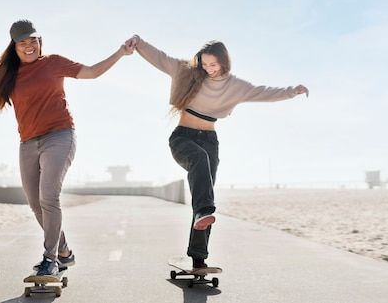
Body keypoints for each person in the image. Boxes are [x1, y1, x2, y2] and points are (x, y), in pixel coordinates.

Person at [0, 20, 133, 276]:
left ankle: (50, 259)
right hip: (28, 143)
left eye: (33, 40)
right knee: (35, 204)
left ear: (40, 41)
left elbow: (93, 71)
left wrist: (120, 52)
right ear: (14, 46)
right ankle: (64, 252)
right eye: (23, 43)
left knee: (49, 196)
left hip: (60, 136)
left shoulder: (53, 63)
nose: (29, 46)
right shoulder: (5, 73)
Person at [125, 35, 308, 269]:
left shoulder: (236, 86)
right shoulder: (186, 72)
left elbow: (264, 92)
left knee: (204, 196)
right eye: (204, 64)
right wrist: (138, 42)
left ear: (224, 63)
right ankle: (204, 212)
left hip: (210, 141)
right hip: (183, 138)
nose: (208, 69)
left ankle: (198, 258)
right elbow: (160, 58)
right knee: (203, 190)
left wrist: (292, 91)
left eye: (213, 65)